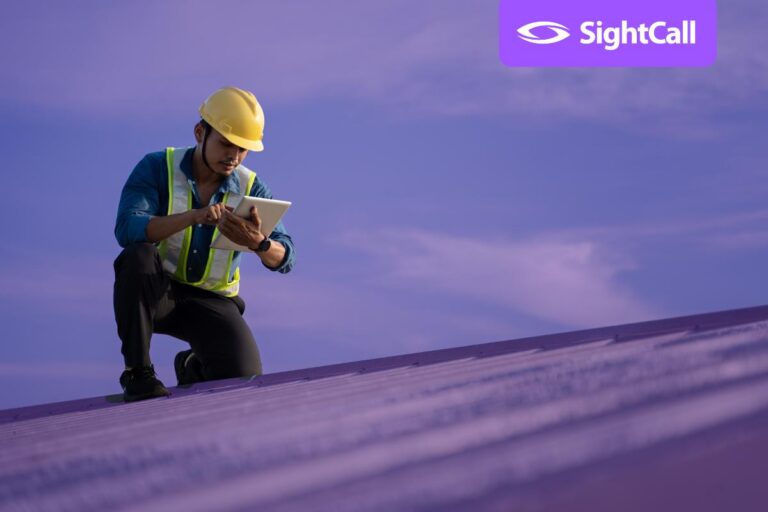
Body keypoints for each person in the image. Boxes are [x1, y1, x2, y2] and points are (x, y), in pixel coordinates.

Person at [113, 86, 295, 402]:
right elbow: (127, 228)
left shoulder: (252, 187)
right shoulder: (157, 167)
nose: (234, 156)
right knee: (137, 256)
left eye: (242, 149)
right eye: (226, 143)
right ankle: (138, 372)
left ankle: (193, 366)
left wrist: (259, 244)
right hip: (158, 295)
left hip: (212, 304)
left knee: (244, 378)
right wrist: (193, 216)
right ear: (200, 133)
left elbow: (286, 258)